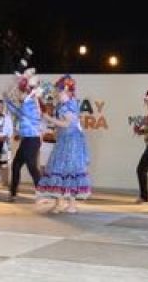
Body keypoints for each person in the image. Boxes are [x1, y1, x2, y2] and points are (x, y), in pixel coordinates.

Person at [36, 74, 91, 214]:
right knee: (58, 169)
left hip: (71, 142)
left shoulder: (70, 104)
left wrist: (49, 118)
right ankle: (59, 202)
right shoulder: (63, 105)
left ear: (66, 91)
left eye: (59, 91)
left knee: (69, 171)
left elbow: (67, 123)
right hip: (63, 140)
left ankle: (71, 204)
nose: (57, 94)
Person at [5, 77, 43, 202]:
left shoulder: (30, 103)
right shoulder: (27, 103)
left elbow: (18, 111)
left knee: (31, 167)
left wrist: (9, 99)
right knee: (16, 165)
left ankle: (42, 192)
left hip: (32, 140)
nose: (18, 95)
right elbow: (16, 111)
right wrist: (7, 101)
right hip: (27, 140)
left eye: (21, 92)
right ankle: (13, 193)